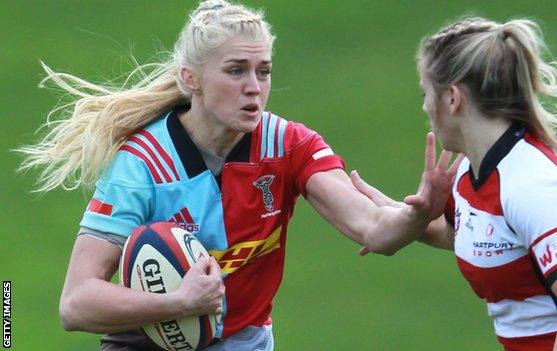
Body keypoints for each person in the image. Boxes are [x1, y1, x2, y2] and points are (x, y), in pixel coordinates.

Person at [17, 1, 459, 350]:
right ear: (191, 78)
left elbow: (373, 229)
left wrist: (417, 215)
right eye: (236, 71)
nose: (254, 87)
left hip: (243, 343)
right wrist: (178, 303)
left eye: (263, 71)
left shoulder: (289, 145)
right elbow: (75, 305)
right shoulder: (143, 163)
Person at [353, 17, 557, 351]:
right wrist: (409, 218)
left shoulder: (531, 185)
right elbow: (485, 238)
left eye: (426, 93)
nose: (424, 106)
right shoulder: (472, 169)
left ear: (452, 98)